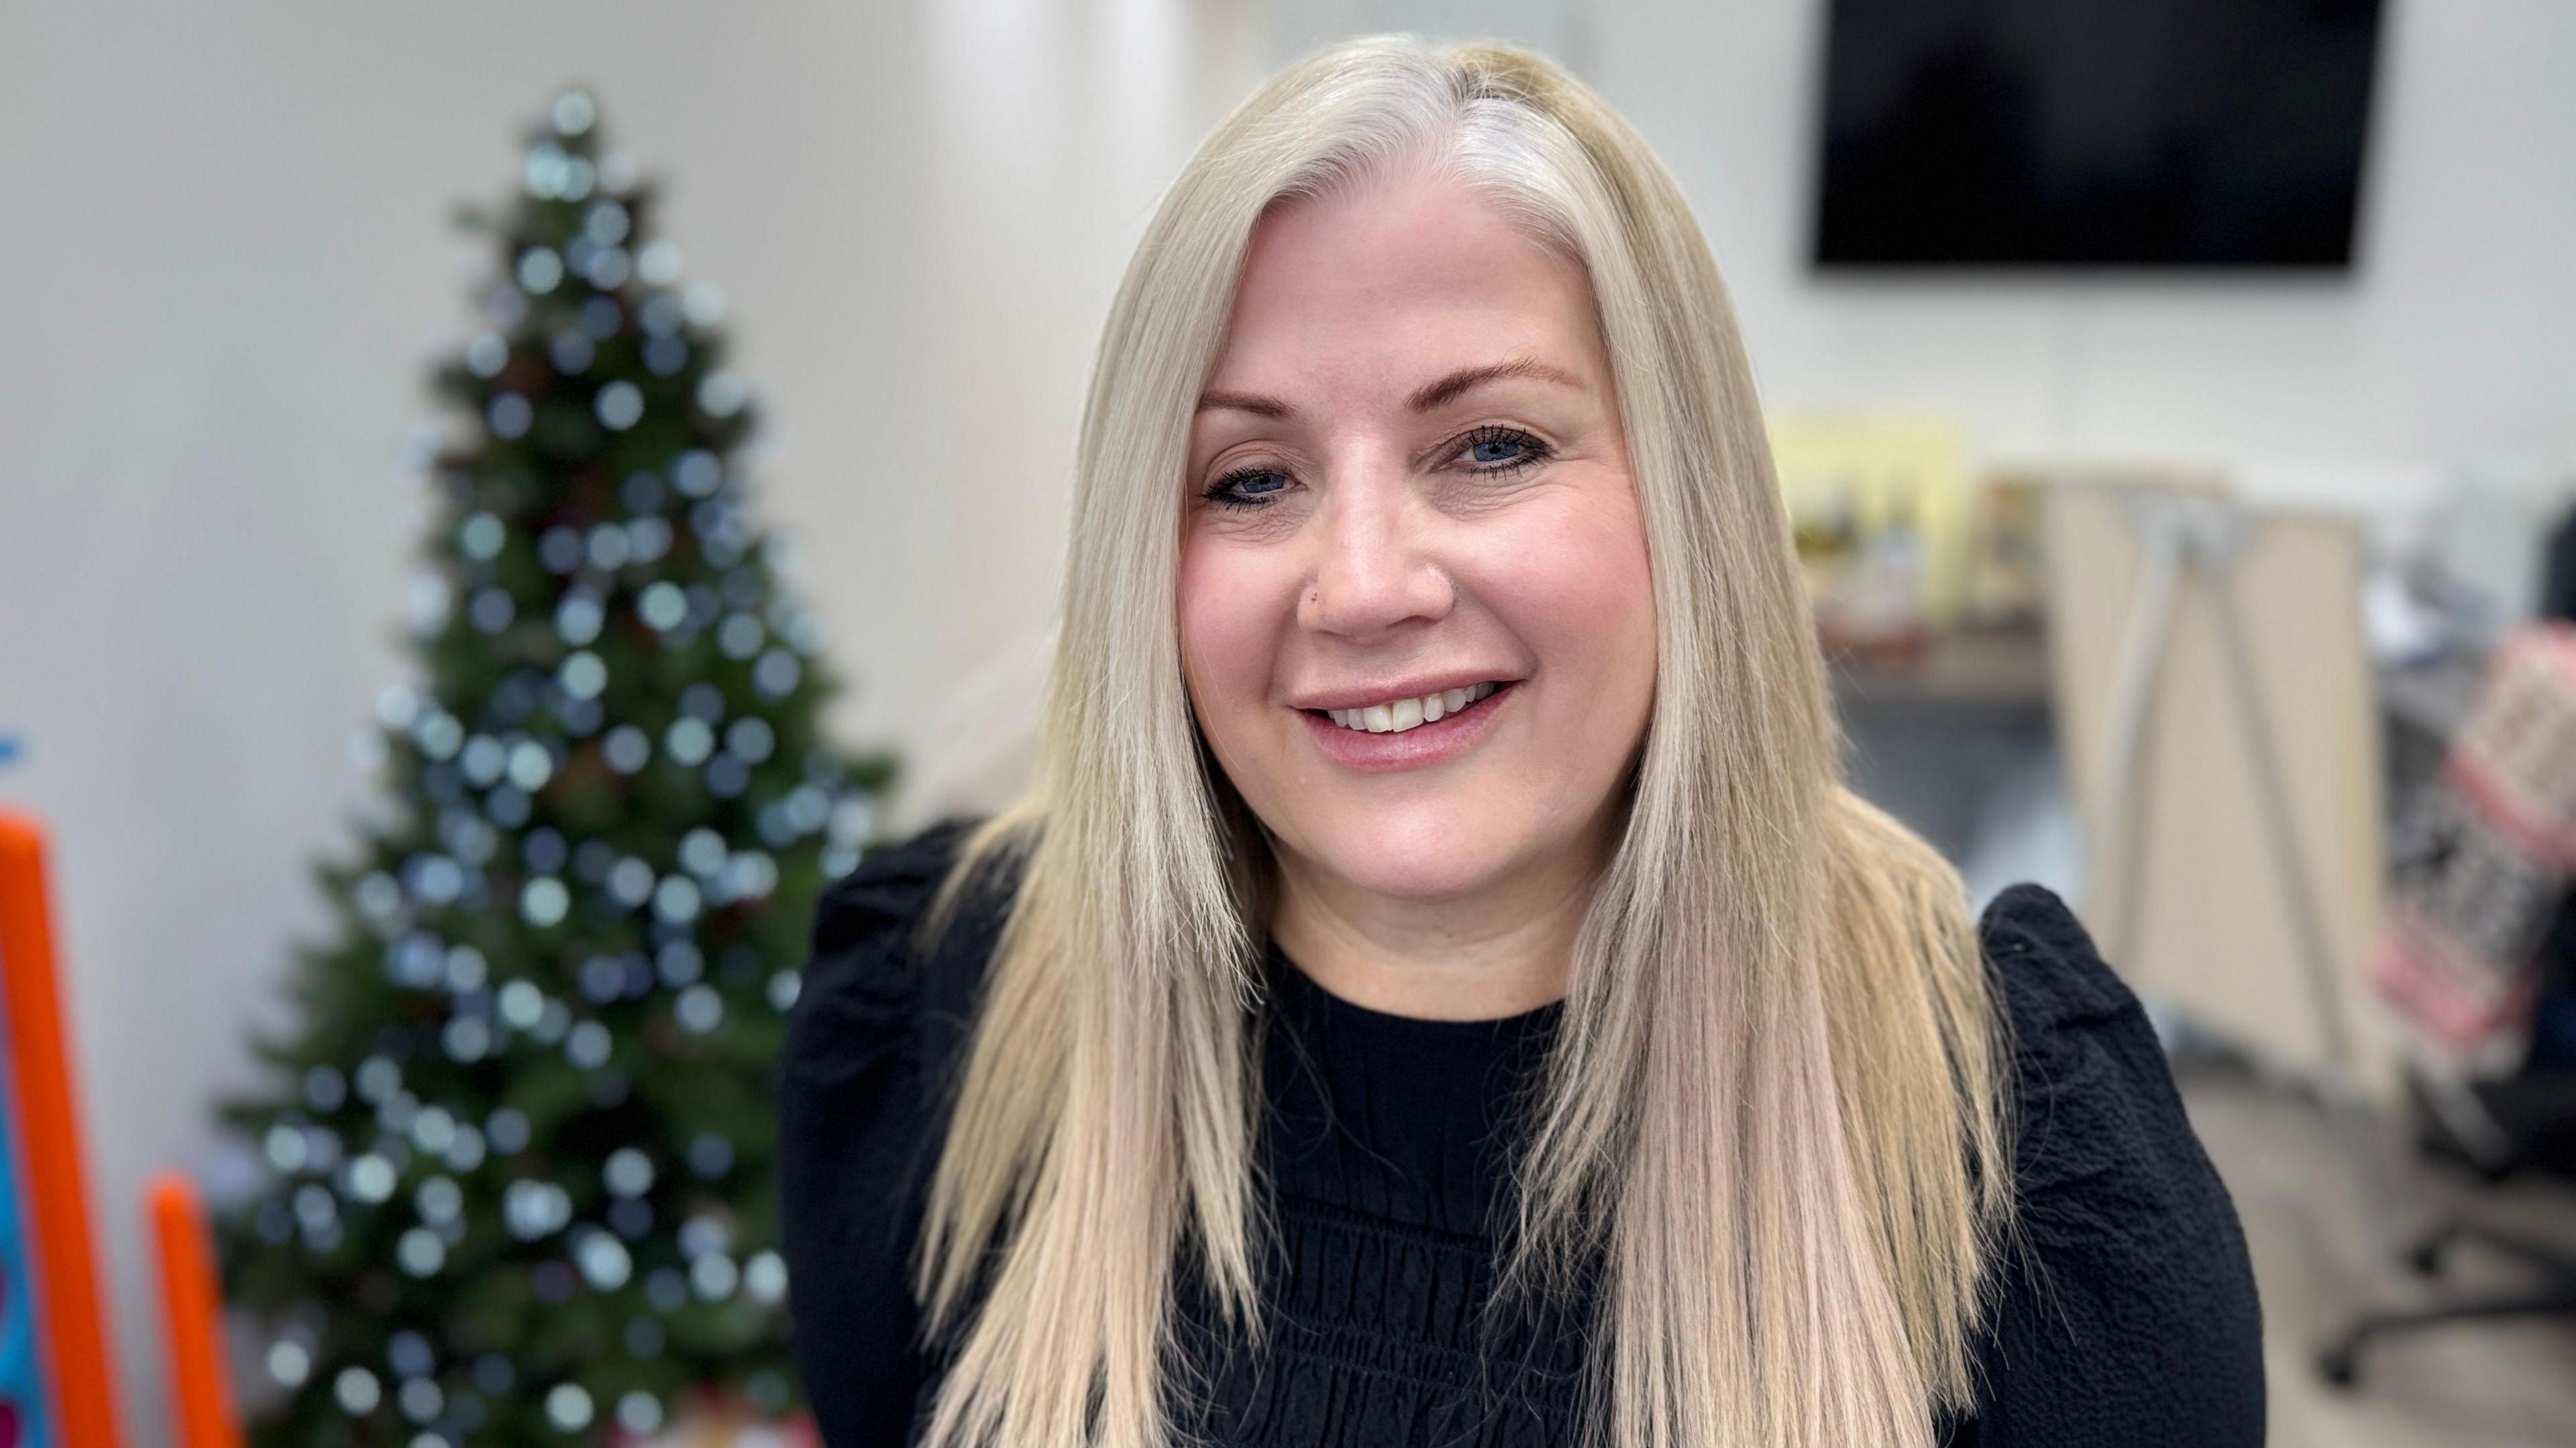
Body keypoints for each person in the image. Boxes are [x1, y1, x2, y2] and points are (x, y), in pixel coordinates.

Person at [779, 33, 2262, 1448]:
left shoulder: (2017, 1150)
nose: (1364, 585)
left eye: (1492, 445)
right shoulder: (946, 1028)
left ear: (1691, 505)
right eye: (1248, 478)